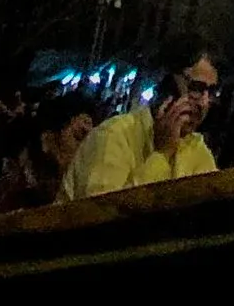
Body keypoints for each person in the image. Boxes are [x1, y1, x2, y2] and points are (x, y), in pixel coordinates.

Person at [58, 39, 219, 196]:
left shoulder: (197, 150)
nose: (204, 103)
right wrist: (162, 154)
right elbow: (103, 215)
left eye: (211, 92)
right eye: (197, 89)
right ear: (167, 86)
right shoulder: (113, 135)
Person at [0, 89, 94, 217]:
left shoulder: (69, 205)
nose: (84, 149)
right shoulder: (6, 198)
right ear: (47, 139)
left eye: (90, 142)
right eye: (78, 137)